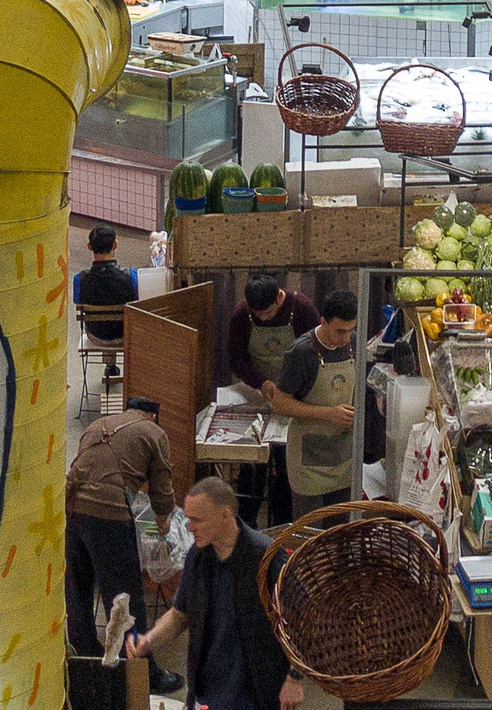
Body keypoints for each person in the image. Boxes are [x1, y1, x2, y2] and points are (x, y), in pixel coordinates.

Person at [126, 476, 299, 710]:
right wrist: (149, 640)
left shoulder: (266, 558)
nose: (189, 527)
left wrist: (294, 679)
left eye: (197, 520)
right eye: (188, 519)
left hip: (257, 692)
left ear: (225, 516)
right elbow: (179, 615)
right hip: (209, 691)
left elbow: (300, 621)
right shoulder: (197, 558)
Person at [66, 397, 182, 693]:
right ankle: (140, 670)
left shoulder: (97, 425)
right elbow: (161, 485)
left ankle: (85, 661)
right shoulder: (153, 433)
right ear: (153, 416)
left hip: (73, 511)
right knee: (124, 597)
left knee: (77, 589)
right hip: (110, 516)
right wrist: (163, 522)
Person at [265, 290, 360, 519]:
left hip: (343, 455)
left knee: (340, 534)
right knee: (311, 537)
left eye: (350, 330)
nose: (345, 338)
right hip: (309, 464)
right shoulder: (301, 352)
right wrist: (329, 414)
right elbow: (281, 404)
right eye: (339, 331)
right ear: (323, 322)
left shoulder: (352, 343)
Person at [226, 277, 319, 392]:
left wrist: (292, 386)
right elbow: (236, 360)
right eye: (257, 314)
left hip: (297, 386)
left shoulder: (302, 308)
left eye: (268, 312)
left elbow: (314, 354)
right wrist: (260, 383)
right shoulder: (241, 314)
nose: (264, 319)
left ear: (279, 297)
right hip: (256, 387)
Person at [75, 225, 138, 374]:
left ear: (89, 246)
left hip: (95, 336)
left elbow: (78, 301)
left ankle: (110, 367)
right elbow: (136, 301)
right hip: (124, 335)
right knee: (118, 319)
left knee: (103, 317)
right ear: (115, 244)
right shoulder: (131, 276)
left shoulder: (80, 279)